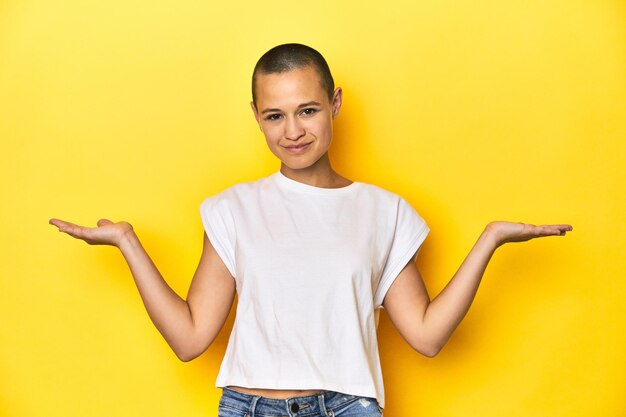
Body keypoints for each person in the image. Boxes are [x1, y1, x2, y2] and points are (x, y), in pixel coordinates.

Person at [49, 43, 572, 417]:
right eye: (275, 115)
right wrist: (128, 244)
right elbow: (189, 339)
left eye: (308, 110)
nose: (293, 131)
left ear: (336, 104)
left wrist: (490, 240)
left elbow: (428, 337)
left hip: (349, 408)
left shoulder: (384, 210)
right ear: (256, 116)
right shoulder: (232, 209)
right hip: (249, 408)